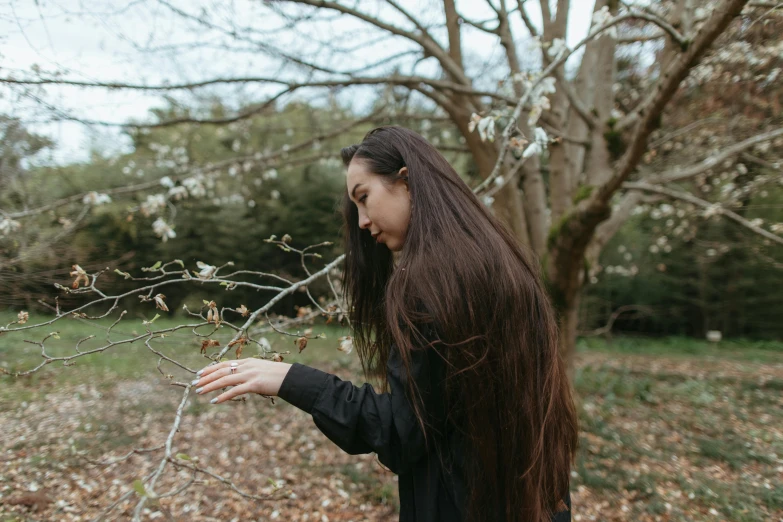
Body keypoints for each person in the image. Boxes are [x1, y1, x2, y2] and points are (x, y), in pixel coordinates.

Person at [192, 126, 578, 521]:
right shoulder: (499, 261)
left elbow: (401, 432)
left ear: (407, 181)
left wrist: (294, 380)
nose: (361, 221)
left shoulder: (428, 283)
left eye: (364, 198)